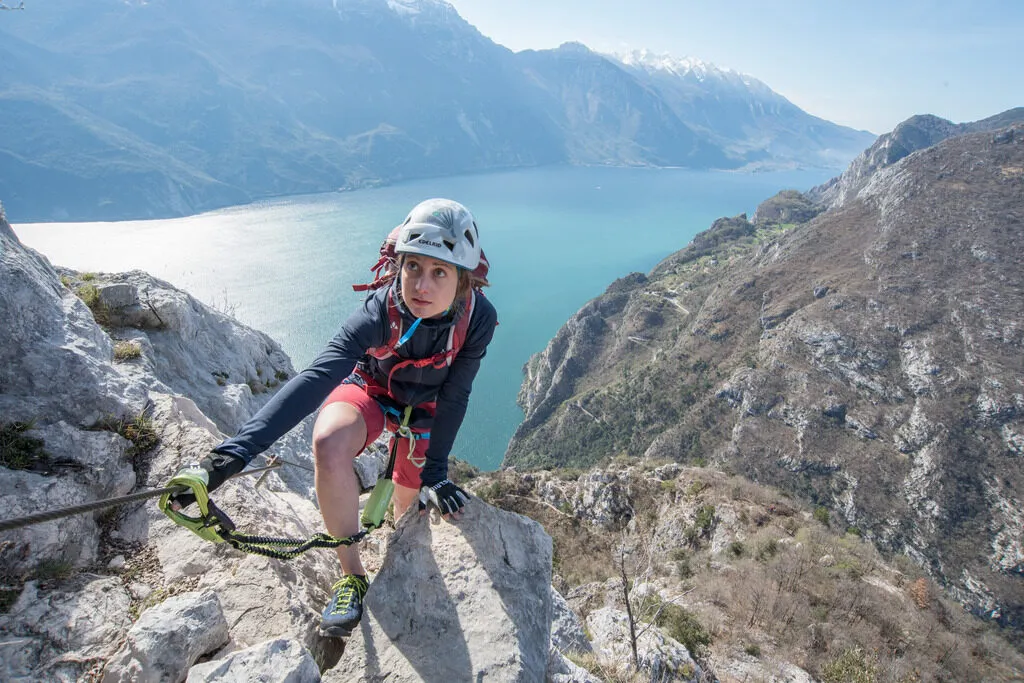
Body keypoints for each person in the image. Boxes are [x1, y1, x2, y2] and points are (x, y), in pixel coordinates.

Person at [167, 198, 498, 637]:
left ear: (461, 282)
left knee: (408, 499)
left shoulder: (478, 318)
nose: (422, 284)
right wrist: (229, 458)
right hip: (374, 391)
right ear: (398, 265)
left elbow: (457, 394)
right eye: (413, 266)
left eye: (440, 272)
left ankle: (404, 551)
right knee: (328, 442)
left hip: (429, 410)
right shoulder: (380, 311)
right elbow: (319, 377)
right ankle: (351, 576)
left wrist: (436, 472)